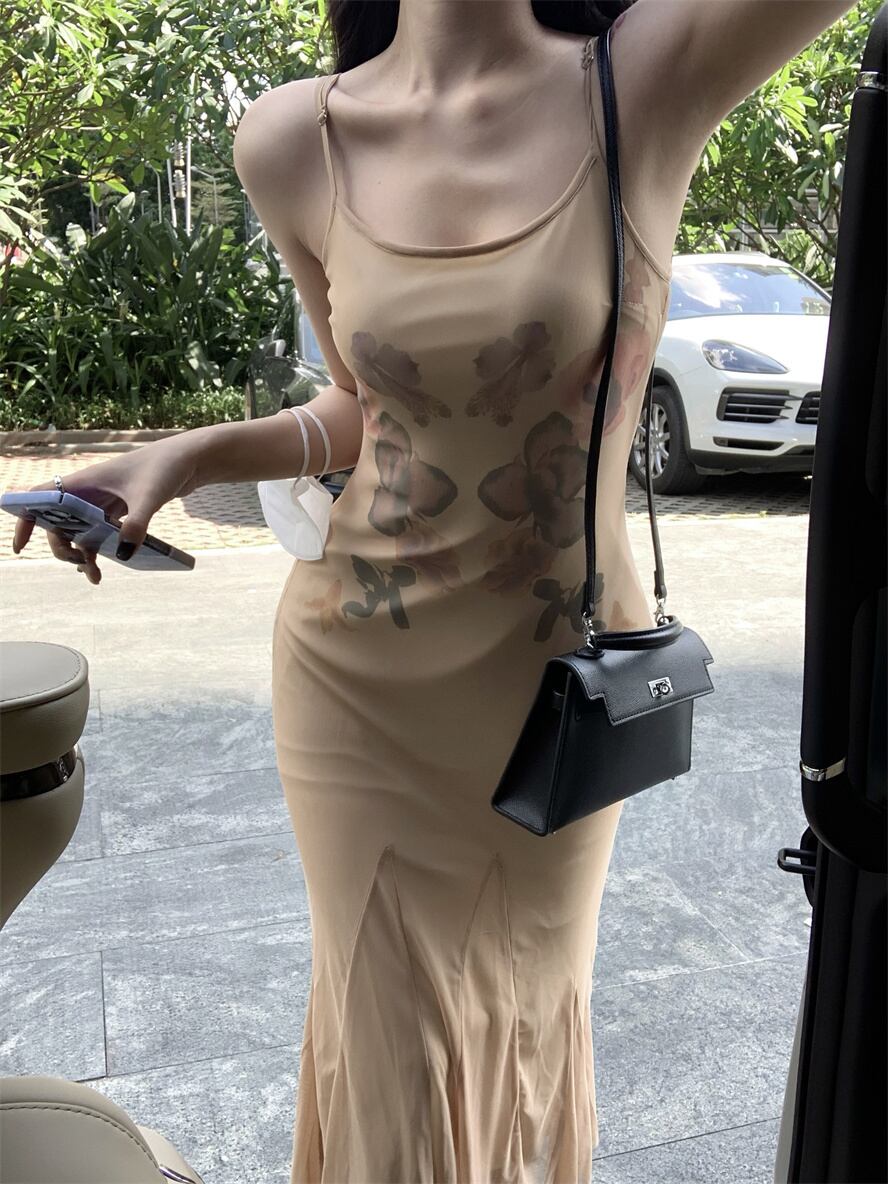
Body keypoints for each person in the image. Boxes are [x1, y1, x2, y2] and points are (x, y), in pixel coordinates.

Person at [13, 0, 858, 1178]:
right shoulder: (292, 139)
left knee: (521, 1024)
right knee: (391, 1051)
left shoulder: (646, 77)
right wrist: (186, 455)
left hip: (557, 698)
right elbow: (367, 407)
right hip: (358, 685)